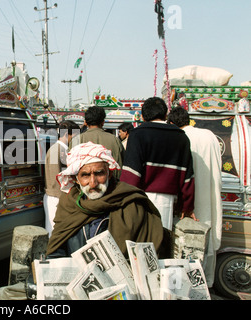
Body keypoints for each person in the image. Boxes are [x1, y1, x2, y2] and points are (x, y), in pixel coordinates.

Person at [46, 142, 170, 259]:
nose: (93, 183)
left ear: (109, 174)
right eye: (85, 175)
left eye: (99, 174)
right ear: (76, 178)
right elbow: (57, 247)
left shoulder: (131, 202)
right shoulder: (68, 203)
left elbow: (148, 250)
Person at [120, 97, 195, 230]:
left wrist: (125, 201)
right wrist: (187, 207)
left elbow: (131, 174)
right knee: (162, 238)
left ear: (143, 116)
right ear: (165, 115)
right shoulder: (181, 137)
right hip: (169, 200)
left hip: (141, 197)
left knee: (142, 240)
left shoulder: (137, 135)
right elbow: (188, 177)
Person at [167, 106, 222, 287]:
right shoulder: (209, 135)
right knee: (208, 233)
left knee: (186, 242)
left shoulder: (179, 138)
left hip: (188, 198)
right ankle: (207, 282)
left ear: (172, 123)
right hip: (210, 192)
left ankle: (186, 285)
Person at [44, 120, 80, 235]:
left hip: (59, 196)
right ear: (66, 134)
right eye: (74, 137)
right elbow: (56, 178)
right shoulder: (56, 150)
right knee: (54, 232)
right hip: (56, 197)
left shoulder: (62, 149)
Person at [69, 106, 124, 179]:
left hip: (84, 187)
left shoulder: (77, 140)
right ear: (103, 122)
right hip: (111, 187)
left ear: (85, 122)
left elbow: (70, 166)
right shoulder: (115, 140)